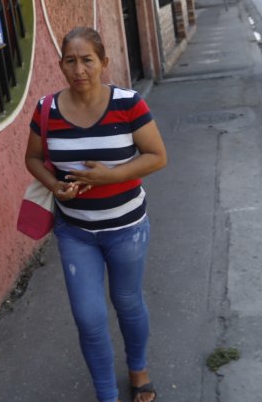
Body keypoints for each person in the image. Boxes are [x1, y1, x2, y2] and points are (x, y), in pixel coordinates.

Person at [25, 27, 168, 402]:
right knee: (88, 318)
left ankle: (138, 370)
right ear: (60, 65)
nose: (79, 70)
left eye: (87, 60)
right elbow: (33, 158)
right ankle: (107, 395)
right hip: (76, 232)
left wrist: (111, 176)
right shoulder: (46, 109)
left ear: (104, 62)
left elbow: (157, 156)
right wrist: (54, 185)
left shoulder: (128, 104)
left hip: (127, 229)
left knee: (128, 303)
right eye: (70, 61)